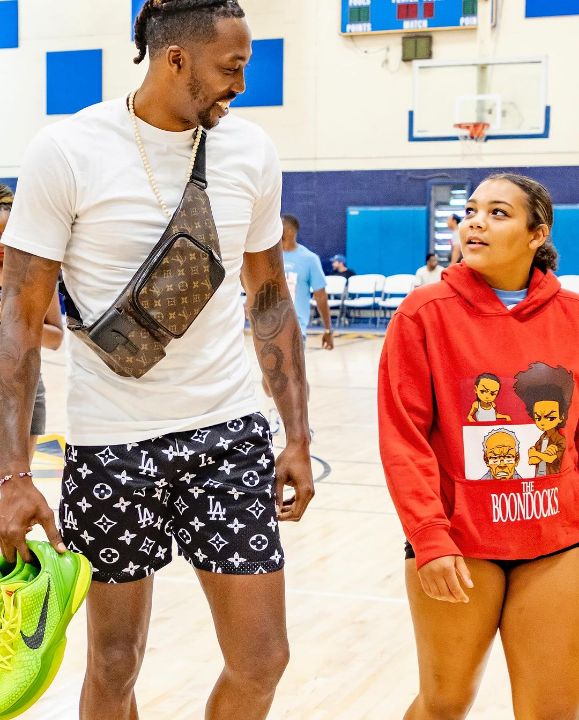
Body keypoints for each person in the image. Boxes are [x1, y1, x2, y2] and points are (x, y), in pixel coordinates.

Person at [0, 3, 315, 719]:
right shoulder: (69, 150)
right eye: (230, 68)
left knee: (263, 658)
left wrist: (296, 432)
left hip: (227, 433)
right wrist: (11, 473)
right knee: (113, 663)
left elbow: (267, 297)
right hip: (112, 442)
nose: (240, 85)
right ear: (174, 59)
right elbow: (17, 323)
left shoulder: (249, 152)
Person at [378, 173, 579, 720]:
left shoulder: (573, 317)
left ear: (537, 234)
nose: (475, 222)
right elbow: (404, 436)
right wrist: (429, 537)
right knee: (445, 702)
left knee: (555, 709)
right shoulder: (424, 312)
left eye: (498, 212)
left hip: (555, 538)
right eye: (470, 211)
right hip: (460, 541)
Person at [0, 184, 63, 461]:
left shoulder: (34, 276)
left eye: (7, 235)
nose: (2, 244)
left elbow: (55, 338)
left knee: (14, 491)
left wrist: (14, 323)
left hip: (25, 392)